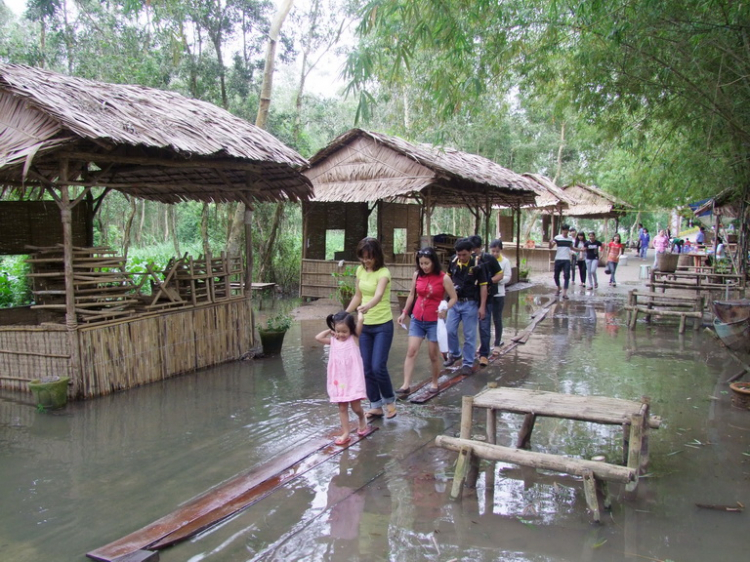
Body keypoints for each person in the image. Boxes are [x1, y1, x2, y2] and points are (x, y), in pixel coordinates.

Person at [346, 237, 397, 419]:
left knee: (378, 367)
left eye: (369, 257)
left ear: (377, 256)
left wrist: (368, 307)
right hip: (365, 326)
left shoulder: (384, 273)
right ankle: (375, 405)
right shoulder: (360, 270)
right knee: (366, 367)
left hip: (383, 324)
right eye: (363, 257)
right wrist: (345, 314)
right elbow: (358, 296)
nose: (366, 261)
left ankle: (390, 402)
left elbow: (378, 294)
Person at [396, 247, 457, 394]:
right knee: (411, 351)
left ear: (434, 262)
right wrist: (404, 312)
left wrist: (445, 309)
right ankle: (405, 385)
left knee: (433, 354)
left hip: (434, 322)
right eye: (421, 263)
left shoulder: (444, 278)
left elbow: (454, 298)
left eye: (427, 263)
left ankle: (435, 382)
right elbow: (412, 295)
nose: (424, 266)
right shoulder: (417, 275)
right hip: (417, 318)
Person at [315, 311, 368, 446]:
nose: (341, 334)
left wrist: (361, 314)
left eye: (344, 331)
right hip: (339, 379)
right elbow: (318, 337)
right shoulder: (333, 340)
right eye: (338, 331)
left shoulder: (354, 339)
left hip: (353, 378)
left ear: (351, 330)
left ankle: (362, 417)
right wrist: (331, 330)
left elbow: (360, 323)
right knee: (342, 407)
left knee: (356, 407)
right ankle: (346, 432)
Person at [443, 238, 487, 376]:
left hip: (470, 303)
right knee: (449, 330)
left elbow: (483, 286)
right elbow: (447, 280)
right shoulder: (453, 262)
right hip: (454, 302)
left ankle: (467, 362)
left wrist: (482, 307)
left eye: (464, 255)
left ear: (470, 252)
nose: (461, 258)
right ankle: (455, 353)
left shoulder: (478, 265)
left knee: (469, 334)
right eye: (459, 254)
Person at [469, 235, 502, 366]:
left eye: (475, 250)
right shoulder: (467, 259)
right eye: (471, 250)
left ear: (481, 248)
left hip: (486, 297)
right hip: (470, 297)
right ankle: (469, 353)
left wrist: (488, 282)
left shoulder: (489, 259)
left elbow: (500, 274)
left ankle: (484, 354)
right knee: (469, 327)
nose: (473, 253)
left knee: (484, 325)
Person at [489, 239, 511, 354]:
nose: (495, 254)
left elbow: (508, 276)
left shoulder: (505, 262)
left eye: (497, 251)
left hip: (499, 294)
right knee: (485, 319)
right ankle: (485, 343)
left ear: (500, 250)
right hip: (487, 294)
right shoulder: (486, 260)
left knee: (497, 318)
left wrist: (498, 280)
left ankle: (497, 343)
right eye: (493, 251)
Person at [549, 224, 574, 299]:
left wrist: (580, 250)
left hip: (566, 259)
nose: (566, 231)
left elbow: (572, 248)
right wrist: (550, 242)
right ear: (562, 230)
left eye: (567, 230)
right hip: (558, 259)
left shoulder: (570, 239)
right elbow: (551, 247)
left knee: (566, 276)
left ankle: (564, 293)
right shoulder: (557, 237)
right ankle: (558, 287)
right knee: (556, 276)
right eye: (564, 230)